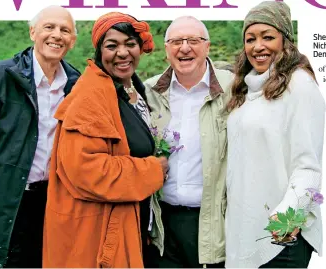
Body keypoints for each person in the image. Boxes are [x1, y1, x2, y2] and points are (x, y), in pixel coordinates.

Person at [0, 6, 80, 268]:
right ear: (33, 32)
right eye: (49, 27)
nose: (57, 35)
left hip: (54, 207)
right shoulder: (0, 77)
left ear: (73, 41)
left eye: (65, 30)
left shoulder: (76, 84)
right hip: (7, 206)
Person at [43, 12, 168, 268]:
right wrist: (154, 169)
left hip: (130, 219)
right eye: (112, 45)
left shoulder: (132, 88)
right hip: (95, 231)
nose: (122, 53)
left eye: (130, 44)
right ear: (99, 52)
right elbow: (86, 171)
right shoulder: (89, 95)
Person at [225, 1, 324, 268]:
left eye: (267, 37)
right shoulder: (247, 90)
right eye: (250, 39)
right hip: (244, 230)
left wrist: (287, 222)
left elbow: (308, 165)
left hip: (280, 237)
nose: (258, 46)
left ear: (285, 40)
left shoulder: (299, 85)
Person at [144, 16, 234, 268]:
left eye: (193, 40)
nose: (184, 48)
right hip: (163, 224)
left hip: (214, 222)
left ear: (207, 46)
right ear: (166, 50)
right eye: (176, 41)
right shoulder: (149, 92)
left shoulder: (234, 89)